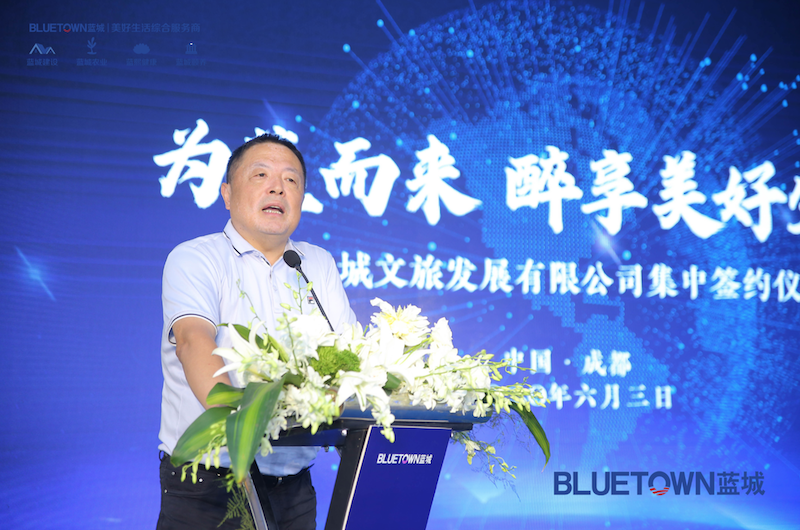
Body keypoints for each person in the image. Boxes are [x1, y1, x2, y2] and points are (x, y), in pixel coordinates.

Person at [157, 134, 357, 529]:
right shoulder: (196, 258)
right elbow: (193, 341)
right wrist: (242, 425)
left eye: (291, 180)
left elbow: (350, 355)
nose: (277, 187)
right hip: (209, 486)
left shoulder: (315, 263)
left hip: (293, 488)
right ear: (227, 194)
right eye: (261, 175)